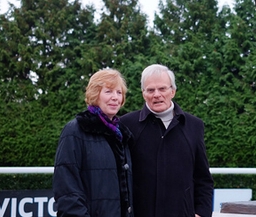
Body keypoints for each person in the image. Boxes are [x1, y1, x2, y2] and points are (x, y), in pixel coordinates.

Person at [121, 64, 213, 217]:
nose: (156, 94)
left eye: (162, 89)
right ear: (143, 94)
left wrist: (201, 213)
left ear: (173, 91)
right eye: (150, 90)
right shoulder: (127, 125)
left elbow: (203, 178)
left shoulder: (194, 126)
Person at [53, 69, 133, 217]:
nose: (115, 97)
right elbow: (66, 187)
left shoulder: (122, 134)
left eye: (119, 92)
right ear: (95, 94)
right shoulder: (75, 130)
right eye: (108, 91)